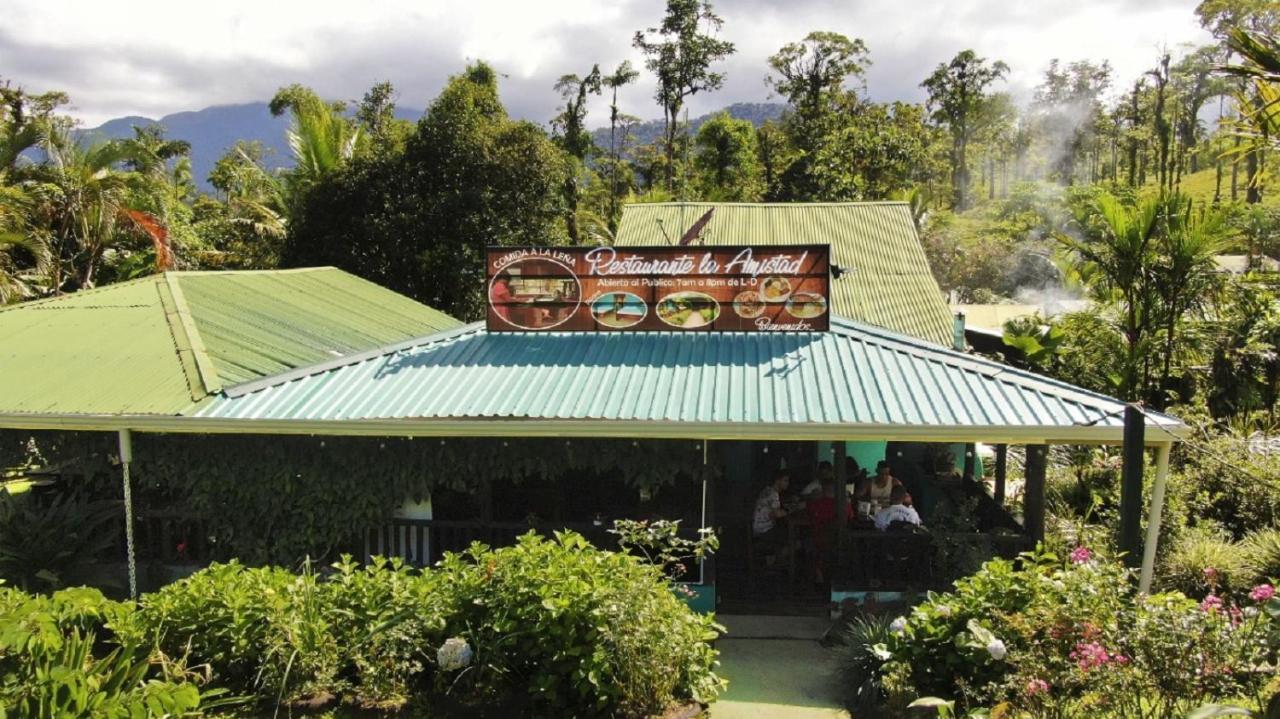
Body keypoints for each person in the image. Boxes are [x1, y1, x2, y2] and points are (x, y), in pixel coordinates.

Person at [806, 477, 852, 583]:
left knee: (806, 540)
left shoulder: (814, 503)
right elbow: (851, 518)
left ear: (822, 488)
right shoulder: (844, 504)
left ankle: (817, 569)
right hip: (840, 540)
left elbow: (809, 516)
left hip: (818, 538)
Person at [753, 469, 791, 563]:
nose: (788, 483)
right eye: (785, 480)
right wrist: (789, 510)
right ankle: (777, 562)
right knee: (791, 538)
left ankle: (772, 560)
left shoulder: (767, 489)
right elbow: (777, 514)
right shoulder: (773, 494)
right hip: (764, 530)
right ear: (778, 481)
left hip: (757, 528)